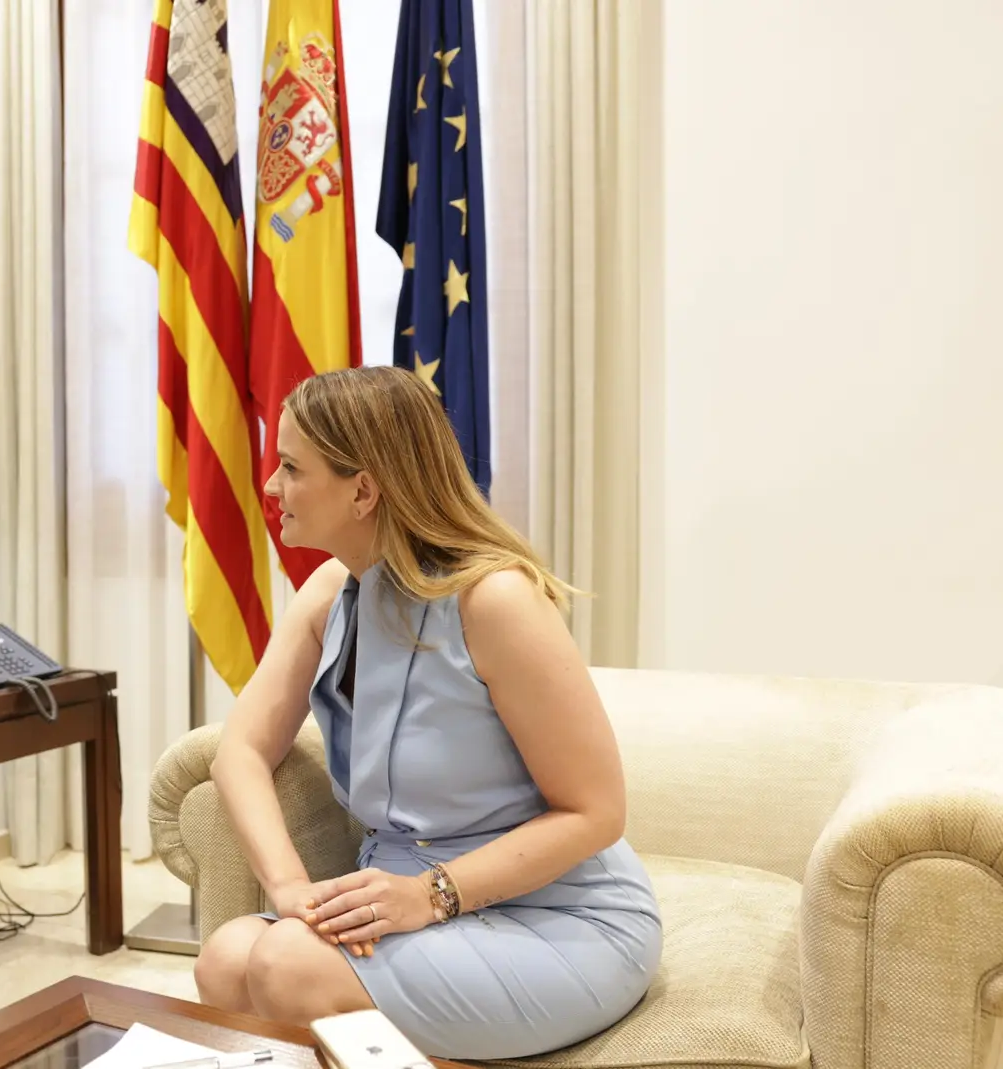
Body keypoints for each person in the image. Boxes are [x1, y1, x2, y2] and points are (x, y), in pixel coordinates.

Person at [193, 365, 662, 1060]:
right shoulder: (330, 590)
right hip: (400, 902)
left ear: (363, 491)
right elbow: (240, 751)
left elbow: (597, 812)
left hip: (555, 916)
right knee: (227, 957)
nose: (270, 486)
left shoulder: (494, 600)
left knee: (285, 964)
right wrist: (290, 887)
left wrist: (431, 894)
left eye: (291, 467)